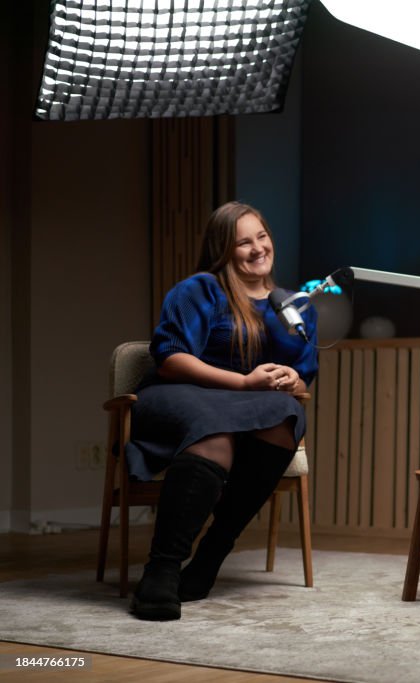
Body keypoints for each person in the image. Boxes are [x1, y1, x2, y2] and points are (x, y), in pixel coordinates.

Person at [126, 201, 318, 620]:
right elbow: (171, 359)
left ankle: (211, 557)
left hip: (250, 404)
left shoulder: (296, 305)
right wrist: (246, 381)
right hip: (180, 392)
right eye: (243, 242)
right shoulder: (199, 289)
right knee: (214, 428)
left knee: (287, 416)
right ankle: (161, 569)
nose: (257, 249)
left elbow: (305, 377)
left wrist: (289, 378)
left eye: (262, 237)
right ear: (223, 249)